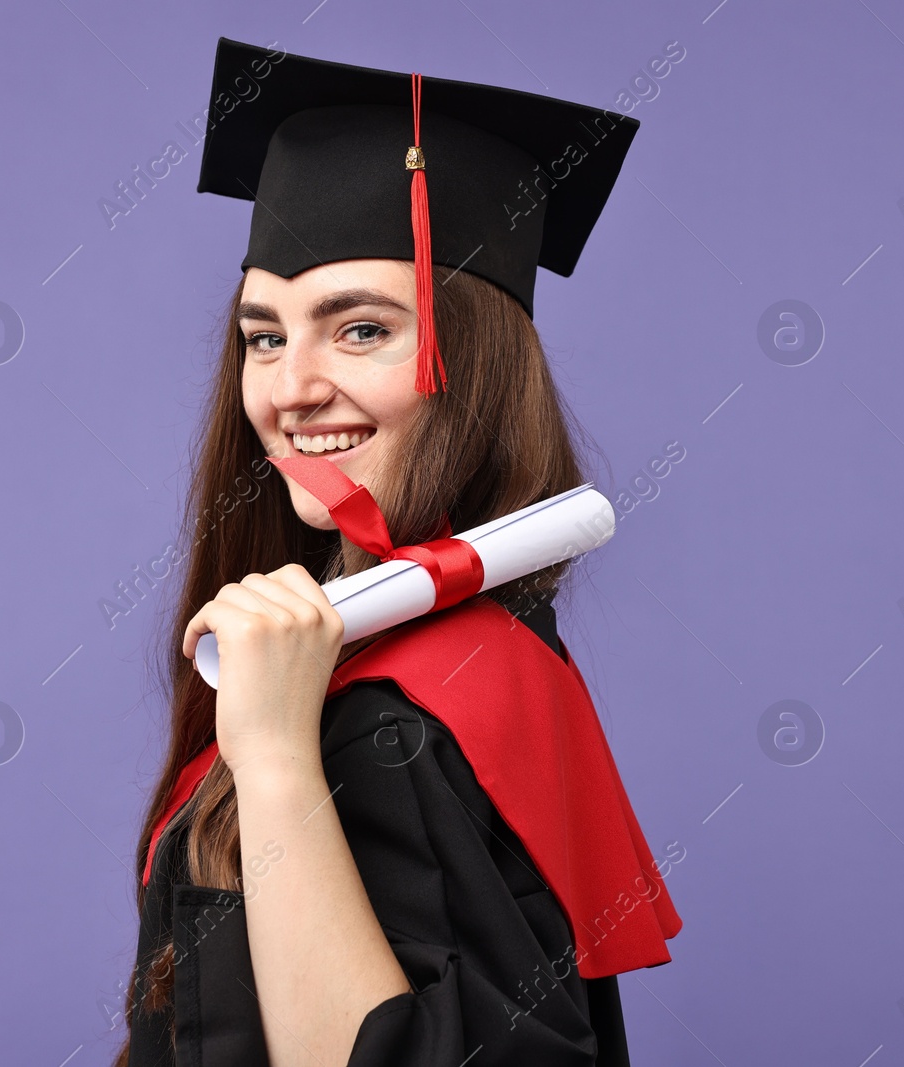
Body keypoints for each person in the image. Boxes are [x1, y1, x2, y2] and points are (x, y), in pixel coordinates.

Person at [111, 39, 681, 1067]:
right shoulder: (441, 659)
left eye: (361, 329)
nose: (288, 389)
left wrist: (278, 757)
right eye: (265, 335)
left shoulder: (389, 723)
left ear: (470, 361)